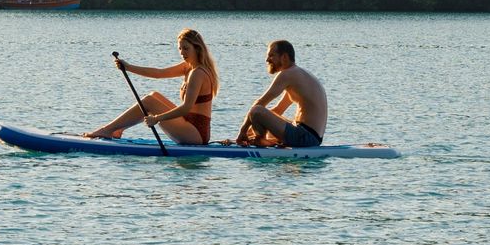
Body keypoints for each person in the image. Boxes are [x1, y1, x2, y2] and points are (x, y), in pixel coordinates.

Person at [86, 29, 218, 145]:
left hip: (196, 134)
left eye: (186, 48)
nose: (182, 52)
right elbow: (159, 73)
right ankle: (117, 128)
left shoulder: (198, 73)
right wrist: (128, 67)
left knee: (149, 102)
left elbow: (185, 108)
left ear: (197, 48)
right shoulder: (188, 67)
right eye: (180, 48)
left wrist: (156, 119)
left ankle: (108, 130)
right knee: (153, 96)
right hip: (189, 126)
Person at [233, 40, 327, 148]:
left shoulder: (287, 74)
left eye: (271, 55)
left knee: (256, 110)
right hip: (313, 138)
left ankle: (260, 141)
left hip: (305, 136)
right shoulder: (296, 75)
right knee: (259, 114)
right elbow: (278, 110)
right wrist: (250, 130)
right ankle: (260, 139)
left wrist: (242, 131)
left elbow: (259, 104)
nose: (267, 60)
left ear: (284, 57)